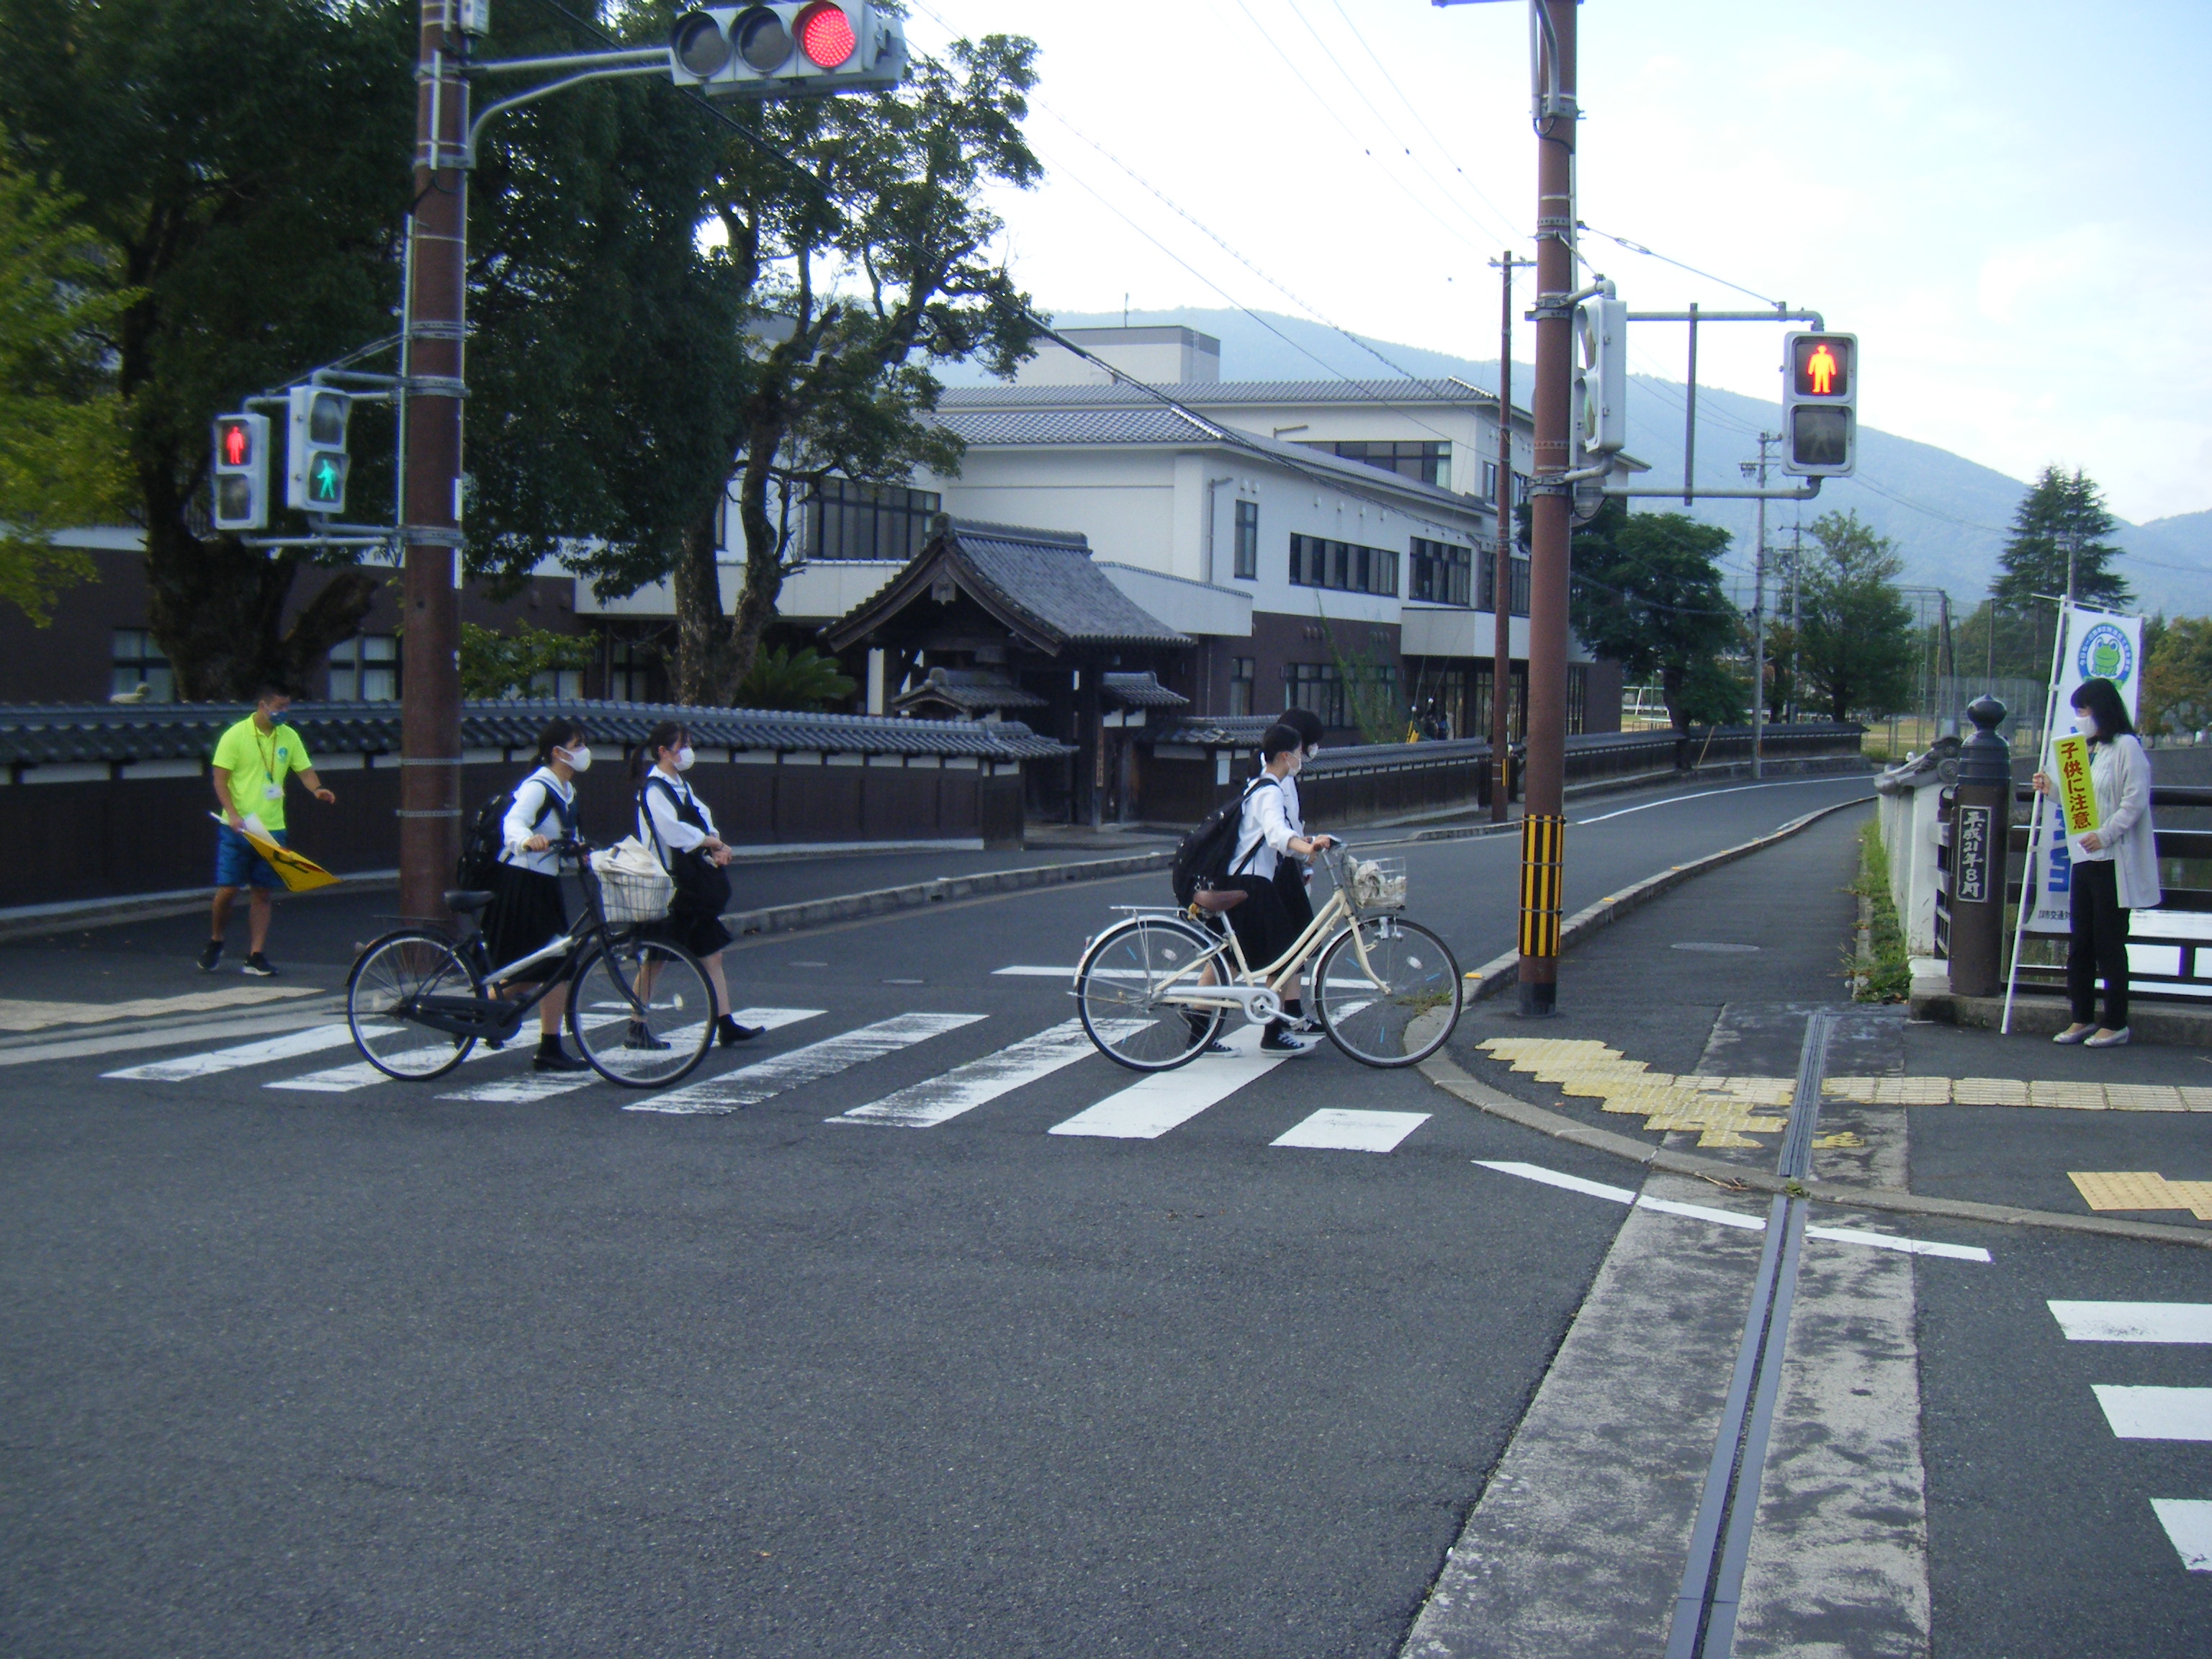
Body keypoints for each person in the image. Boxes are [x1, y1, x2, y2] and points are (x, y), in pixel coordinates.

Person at [2032, 677, 2159, 1048]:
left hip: (2113, 862)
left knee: (2109, 943)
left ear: (2101, 709)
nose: (2080, 718)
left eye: (2083, 710)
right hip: (2084, 859)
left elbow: (2134, 802)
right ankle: (2082, 1017)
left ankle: (2116, 1021)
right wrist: (2051, 791)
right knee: (2081, 944)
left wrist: (2105, 834)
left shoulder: (2127, 747)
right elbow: (2080, 805)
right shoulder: (2091, 751)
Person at [634, 722, 761, 1048]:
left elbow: (703, 817)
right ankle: (636, 1024)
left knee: (711, 954)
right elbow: (672, 831)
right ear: (663, 751)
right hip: (669, 885)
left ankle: (726, 1022)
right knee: (657, 957)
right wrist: (709, 842)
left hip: (689, 884)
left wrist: (716, 841)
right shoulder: (653, 789)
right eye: (682, 745)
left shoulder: (680, 786)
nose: (688, 751)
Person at [1215, 721, 1335, 1052]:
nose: (1303, 757)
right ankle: (1273, 1034)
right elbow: (1277, 835)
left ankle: (1198, 1027)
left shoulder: (1257, 784)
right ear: (1285, 755)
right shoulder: (1270, 790)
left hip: (1243, 880)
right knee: (1285, 954)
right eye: (1299, 752)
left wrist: (1303, 844)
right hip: (1253, 885)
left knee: (1231, 956)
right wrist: (1306, 848)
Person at [199, 685, 335, 976]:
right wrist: (233, 815)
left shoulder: (289, 736)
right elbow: (220, 780)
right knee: (229, 888)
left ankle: (256, 954)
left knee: (263, 892)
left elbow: (305, 770)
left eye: (287, 707)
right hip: (238, 827)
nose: (283, 713)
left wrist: (318, 789)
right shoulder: (235, 735)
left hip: (272, 828)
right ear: (262, 705)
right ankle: (216, 939)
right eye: (279, 707)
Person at [485, 719, 591, 1074]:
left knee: (554, 964)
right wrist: (525, 840)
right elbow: (513, 822)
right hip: (521, 882)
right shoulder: (539, 785)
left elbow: (565, 832)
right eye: (577, 745)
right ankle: (497, 1009)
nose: (582, 751)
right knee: (552, 964)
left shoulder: (566, 790)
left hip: (544, 883)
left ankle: (508, 1018)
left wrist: (580, 851)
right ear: (557, 752)